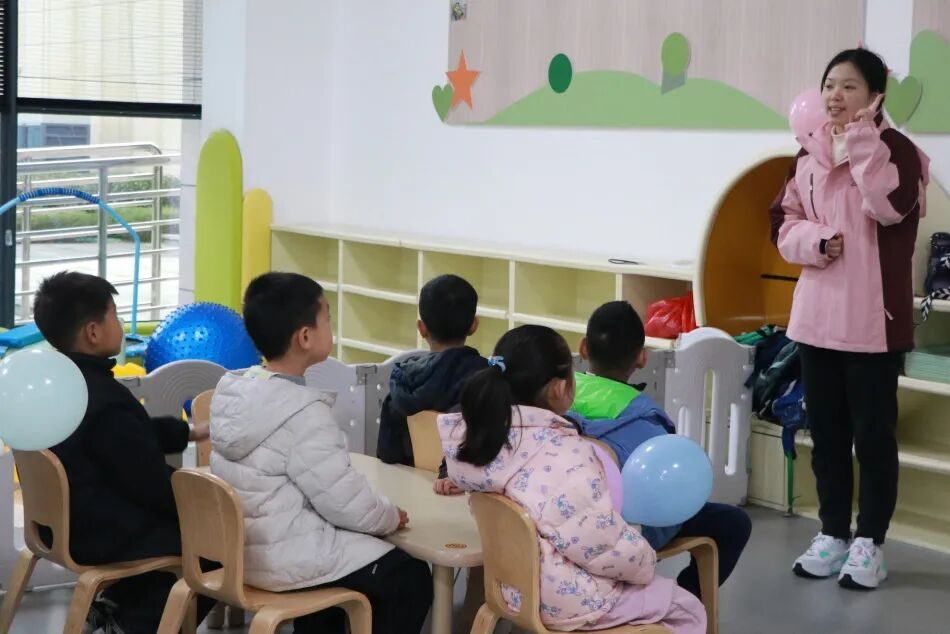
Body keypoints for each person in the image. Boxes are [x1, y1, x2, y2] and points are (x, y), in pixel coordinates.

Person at [769, 47, 930, 590]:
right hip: (816, 320)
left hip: (873, 325)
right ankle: (833, 533)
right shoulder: (807, 153)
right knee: (827, 435)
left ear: (876, 95)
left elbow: (890, 207)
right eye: (829, 86)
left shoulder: (899, 151)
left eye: (849, 87)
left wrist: (861, 139)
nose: (835, 97)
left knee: (874, 438)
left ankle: (870, 543)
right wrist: (814, 241)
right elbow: (783, 222)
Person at [440, 325, 706, 633]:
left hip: (512, 588)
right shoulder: (565, 456)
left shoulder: (482, 439)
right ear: (558, 388)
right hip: (571, 599)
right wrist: (645, 559)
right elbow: (601, 545)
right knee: (688, 610)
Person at [210, 272, 432, 634]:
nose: (331, 325)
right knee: (408, 577)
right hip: (285, 561)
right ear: (305, 337)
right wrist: (389, 516)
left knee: (344, 565)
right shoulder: (302, 412)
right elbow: (345, 503)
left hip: (240, 553)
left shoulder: (236, 391)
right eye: (327, 317)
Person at [32, 271, 214, 633]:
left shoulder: (62, 383)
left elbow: (128, 437)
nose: (121, 324)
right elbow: (150, 484)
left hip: (61, 521)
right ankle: (135, 622)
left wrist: (190, 432)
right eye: (114, 316)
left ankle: (118, 604)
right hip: (100, 532)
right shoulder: (104, 400)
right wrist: (205, 500)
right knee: (217, 543)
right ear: (93, 332)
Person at [571, 300, 751, 600]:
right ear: (642, 357)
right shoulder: (647, 419)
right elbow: (666, 493)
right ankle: (687, 598)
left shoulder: (557, 396)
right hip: (627, 531)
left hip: (567, 521)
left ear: (584, 348)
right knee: (734, 523)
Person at [376, 274, 485, 494]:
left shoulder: (404, 378)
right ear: (474, 325)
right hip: (463, 490)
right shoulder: (486, 378)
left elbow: (387, 453)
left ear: (421, 328)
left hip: (411, 490)